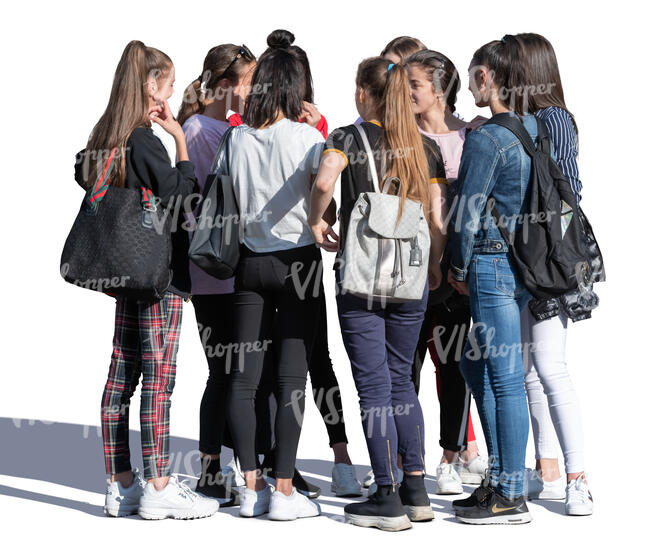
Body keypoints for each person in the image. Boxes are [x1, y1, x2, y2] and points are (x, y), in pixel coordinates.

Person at [73, 40, 217, 520]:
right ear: (151, 87)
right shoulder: (144, 139)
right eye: (170, 84)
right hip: (160, 275)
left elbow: (83, 173)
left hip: (125, 274)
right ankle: (158, 483)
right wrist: (179, 141)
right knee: (160, 379)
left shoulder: (108, 133)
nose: (174, 94)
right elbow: (181, 197)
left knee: (121, 376)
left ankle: (120, 483)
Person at [309, 57, 447, 531]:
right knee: (403, 382)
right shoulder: (424, 148)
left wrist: (316, 219)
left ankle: (385, 497)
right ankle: (416, 488)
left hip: (362, 277)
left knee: (373, 387)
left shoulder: (347, 139)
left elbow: (326, 180)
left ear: (364, 94)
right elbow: (437, 219)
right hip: (411, 281)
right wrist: (433, 265)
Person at [220, 31, 325, 521]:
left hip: (248, 262)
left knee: (243, 381)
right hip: (298, 260)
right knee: (291, 379)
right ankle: (284, 490)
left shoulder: (235, 136)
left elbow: (223, 197)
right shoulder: (308, 138)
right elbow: (327, 194)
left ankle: (249, 485)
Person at [447, 35, 536, 525]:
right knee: (475, 364)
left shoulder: (486, 139)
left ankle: (509, 491)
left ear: (486, 76)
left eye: (472, 74)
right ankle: (501, 477)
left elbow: (467, 210)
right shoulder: (527, 130)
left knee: (503, 377)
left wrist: (457, 269)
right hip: (518, 263)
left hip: (489, 263)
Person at [517, 32, 594, 516]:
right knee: (526, 370)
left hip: (548, 260)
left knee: (550, 366)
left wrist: (547, 248)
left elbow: (570, 192)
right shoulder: (527, 119)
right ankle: (545, 468)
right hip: (524, 258)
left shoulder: (554, 119)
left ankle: (578, 477)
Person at [406, 48, 489, 494]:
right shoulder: (398, 137)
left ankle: (451, 458)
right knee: (406, 368)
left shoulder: (471, 136)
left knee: (454, 365)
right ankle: (407, 460)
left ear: (439, 90)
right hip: (407, 272)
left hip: (456, 272)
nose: (408, 92)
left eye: (415, 84)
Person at [177, 43, 257, 506]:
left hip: (227, 272)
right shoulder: (202, 132)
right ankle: (210, 467)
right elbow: (218, 199)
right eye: (248, 83)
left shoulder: (220, 127)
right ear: (226, 85)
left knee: (231, 372)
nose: (253, 91)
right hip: (215, 271)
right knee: (224, 373)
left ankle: (225, 463)